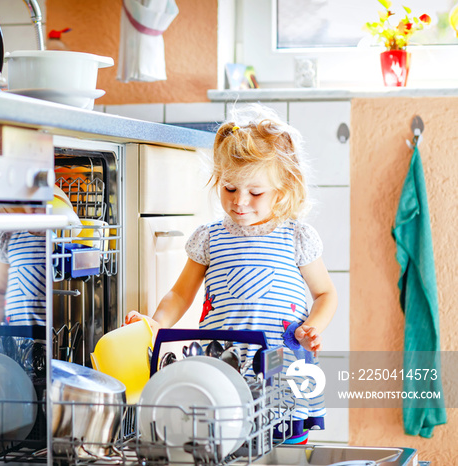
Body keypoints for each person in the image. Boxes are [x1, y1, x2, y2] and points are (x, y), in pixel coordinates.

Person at [125, 104, 337, 444]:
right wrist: (154, 324)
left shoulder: (295, 236)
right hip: (223, 371)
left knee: (284, 447)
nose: (240, 202)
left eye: (255, 193)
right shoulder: (209, 238)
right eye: (229, 188)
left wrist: (313, 327)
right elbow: (180, 294)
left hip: (281, 371)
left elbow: (326, 294)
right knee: (224, 444)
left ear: (282, 190)